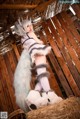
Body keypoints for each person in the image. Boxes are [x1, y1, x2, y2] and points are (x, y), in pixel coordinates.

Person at [14, 18, 63, 111]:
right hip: (38, 51)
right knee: (42, 73)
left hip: (33, 54)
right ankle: (50, 95)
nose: (30, 27)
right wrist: (41, 42)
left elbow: (27, 48)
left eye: (30, 25)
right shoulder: (30, 34)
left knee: (42, 73)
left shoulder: (22, 39)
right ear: (23, 29)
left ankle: (33, 97)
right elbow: (39, 42)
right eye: (27, 26)